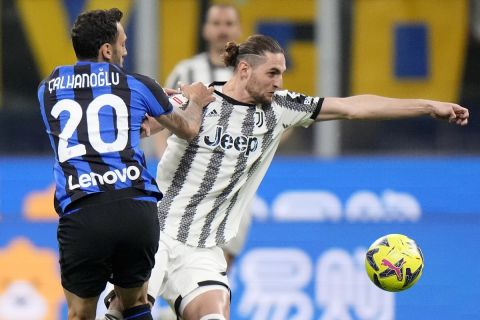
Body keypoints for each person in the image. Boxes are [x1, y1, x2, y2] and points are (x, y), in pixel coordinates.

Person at [104, 34, 469, 320]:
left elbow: (354, 107)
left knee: (213, 314)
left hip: (203, 248)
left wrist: (427, 105)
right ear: (244, 69)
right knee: (123, 311)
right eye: (272, 73)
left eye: (282, 74)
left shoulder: (281, 108)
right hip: (156, 232)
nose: (279, 82)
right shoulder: (197, 101)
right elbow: (131, 129)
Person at [37, 8, 213, 320]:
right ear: (107, 50)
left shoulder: (47, 88)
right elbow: (187, 127)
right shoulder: (139, 85)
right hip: (134, 208)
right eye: (123, 44)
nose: (125, 51)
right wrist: (196, 100)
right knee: (135, 303)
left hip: (82, 211)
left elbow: (95, 110)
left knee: (79, 313)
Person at [162, 3, 247, 269]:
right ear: (205, 30)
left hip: (235, 181)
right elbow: (164, 114)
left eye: (229, 24)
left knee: (224, 260)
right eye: (217, 23)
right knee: (173, 249)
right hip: (188, 179)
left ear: (239, 29)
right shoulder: (186, 71)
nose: (223, 30)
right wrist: (162, 154)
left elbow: (279, 117)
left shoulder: (252, 73)